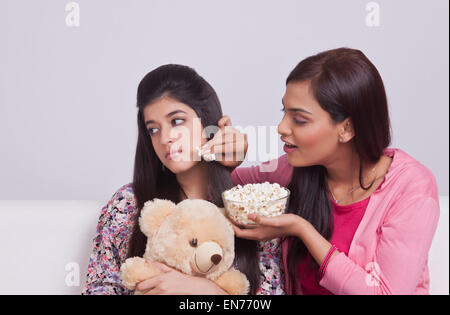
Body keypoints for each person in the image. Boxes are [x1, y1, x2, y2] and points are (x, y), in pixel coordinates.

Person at [229, 48, 440, 295]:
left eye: (299, 119)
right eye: (284, 112)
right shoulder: (296, 169)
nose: (281, 127)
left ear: (347, 129)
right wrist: (226, 159)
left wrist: (302, 230)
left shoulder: (412, 187)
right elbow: (218, 185)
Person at [81, 64, 284, 295]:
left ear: (207, 121)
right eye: (153, 130)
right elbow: (98, 289)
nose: (166, 138)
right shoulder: (128, 203)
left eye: (176, 121)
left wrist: (208, 292)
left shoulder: (249, 207)